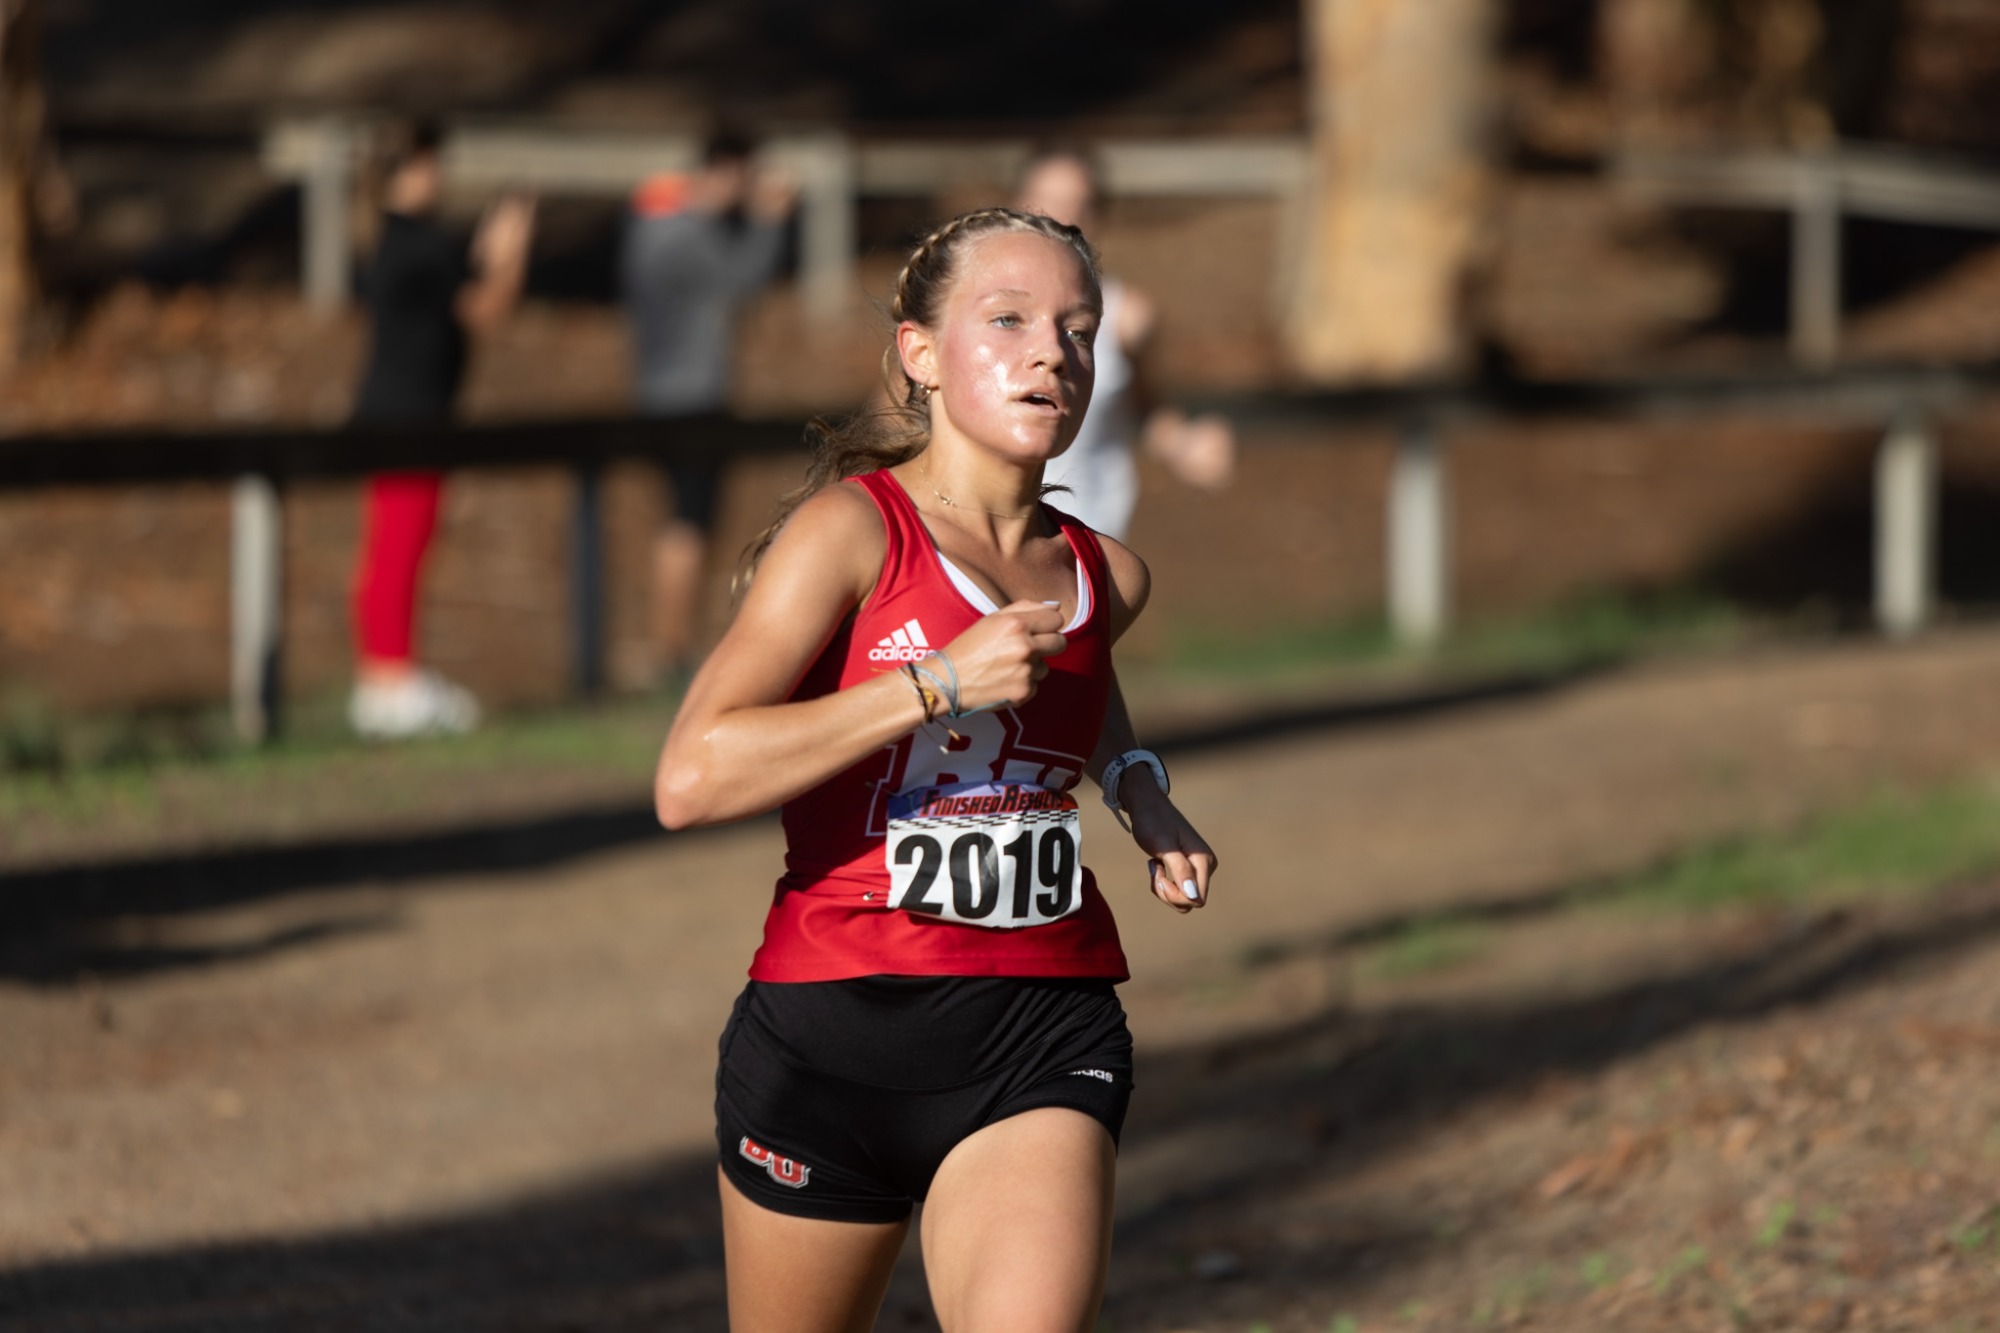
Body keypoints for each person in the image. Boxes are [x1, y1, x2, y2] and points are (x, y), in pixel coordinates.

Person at [655, 207, 1218, 1332]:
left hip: (1040, 1027)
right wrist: (933, 685)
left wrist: (1139, 788)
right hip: (831, 1032)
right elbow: (691, 776)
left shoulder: (1105, 574)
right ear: (921, 355)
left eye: (1077, 327)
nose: (1049, 351)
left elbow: (1078, 684)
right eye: (1004, 319)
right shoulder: (851, 536)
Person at [346, 117, 536, 739]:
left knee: (392, 547)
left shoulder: (396, 240)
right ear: (409, 169)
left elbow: (455, 288)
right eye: (430, 163)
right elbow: (488, 306)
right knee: (400, 547)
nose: (439, 176)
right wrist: (512, 247)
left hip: (397, 411)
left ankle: (384, 676)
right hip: (412, 416)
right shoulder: (419, 242)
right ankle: (390, 681)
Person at [620, 130, 797, 683]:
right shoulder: (687, 234)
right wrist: (770, 221)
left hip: (660, 391)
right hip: (690, 399)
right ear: (725, 170)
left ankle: (672, 645)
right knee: (688, 522)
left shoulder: (655, 225)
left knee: (686, 521)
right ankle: (670, 651)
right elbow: (742, 279)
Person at [1013, 144, 1236, 541]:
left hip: (1089, 538)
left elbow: (1147, 409)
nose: (1063, 220)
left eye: (1080, 206)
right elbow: (903, 411)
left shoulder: (1126, 318)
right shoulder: (972, 312)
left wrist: (1184, 445)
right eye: (1047, 203)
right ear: (1016, 205)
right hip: (991, 534)